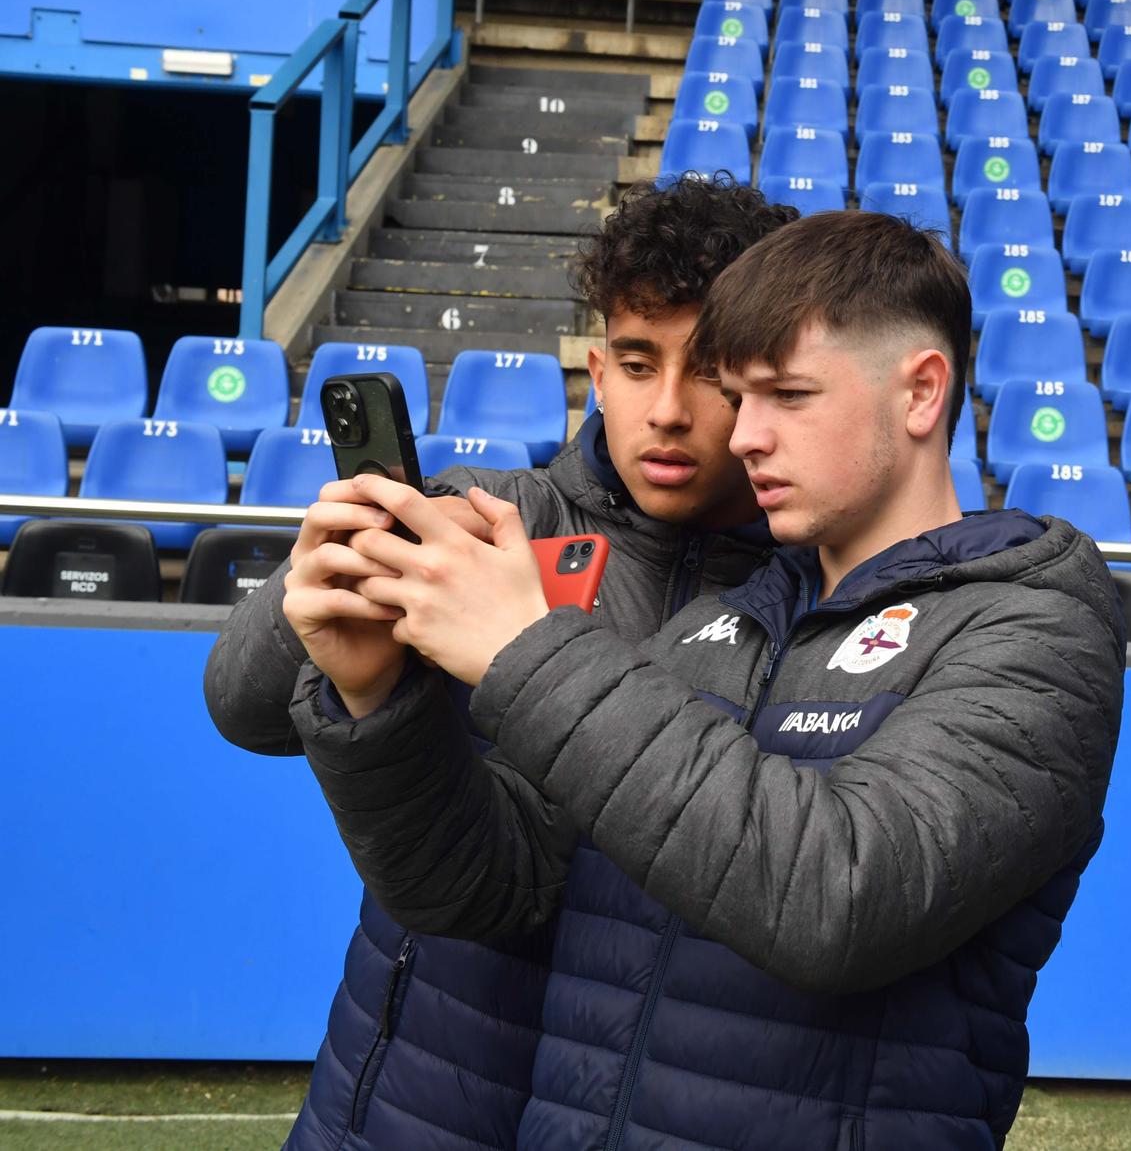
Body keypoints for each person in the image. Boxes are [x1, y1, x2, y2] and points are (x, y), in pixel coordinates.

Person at [277, 209, 1125, 1150]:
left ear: (921, 392)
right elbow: (492, 891)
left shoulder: (1033, 624)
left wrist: (528, 646)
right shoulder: (715, 625)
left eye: (788, 395)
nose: (745, 435)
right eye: (739, 395)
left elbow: (840, 897)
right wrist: (373, 700)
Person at [205, 173, 795, 1149]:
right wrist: (311, 593)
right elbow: (240, 709)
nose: (668, 410)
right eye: (639, 365)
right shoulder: (481, 514)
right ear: (596, 374)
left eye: (712, 370)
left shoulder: (810, 596)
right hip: (397, 1104)